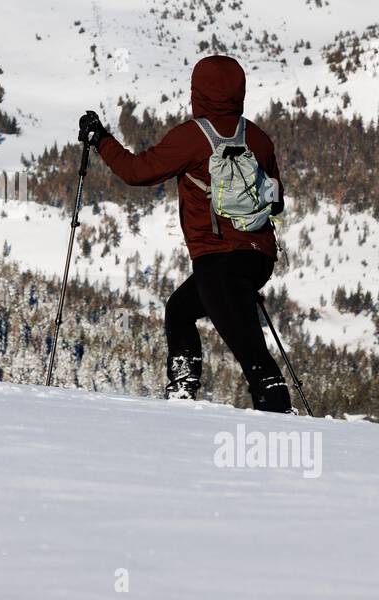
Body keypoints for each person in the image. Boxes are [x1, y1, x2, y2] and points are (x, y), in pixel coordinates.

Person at [77, 54, 292, 413]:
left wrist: (100, 139)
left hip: (217, 259)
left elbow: (136, 171)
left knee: (249, 349)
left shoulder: (192, 137)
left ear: (198, 92)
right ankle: (182, 394)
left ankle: (275, 412)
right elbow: (277, 201)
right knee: (180, 310)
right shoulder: (257, 137)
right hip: (258, 257)